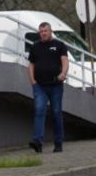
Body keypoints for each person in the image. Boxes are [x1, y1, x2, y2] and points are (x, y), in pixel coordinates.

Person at [28, 22, 70, 153]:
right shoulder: (35, 47)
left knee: (56, 113)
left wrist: (63, 73)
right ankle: (37, 142)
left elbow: (65, 61)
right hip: (39, 86)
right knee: (39, 111)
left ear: (50, 31)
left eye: (45, 31)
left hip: (55, 85)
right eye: (41, 32)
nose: (43, 34)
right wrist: (33, 81)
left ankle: (58, 143)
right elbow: (31, 65)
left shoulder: (59, 45)